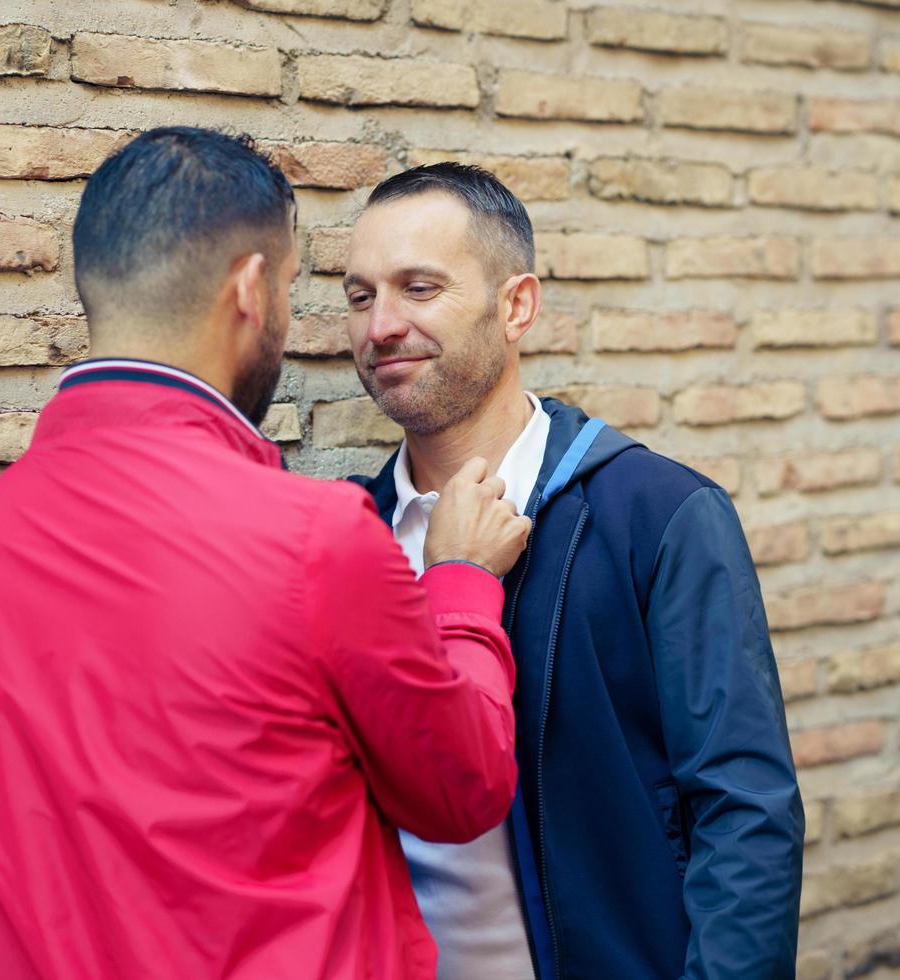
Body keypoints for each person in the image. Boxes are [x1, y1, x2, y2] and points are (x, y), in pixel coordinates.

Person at [0, 129, 531, 979]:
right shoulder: (313, 539)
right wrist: (464, 585)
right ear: (252, 291)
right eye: (300, 288)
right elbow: (462, 788)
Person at [343, 163, 805, 979]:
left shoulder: (656, 513)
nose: (381, 325)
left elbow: (747, 815)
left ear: (516, 305)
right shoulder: (348, 538)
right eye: (359, 296)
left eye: (419, 288)